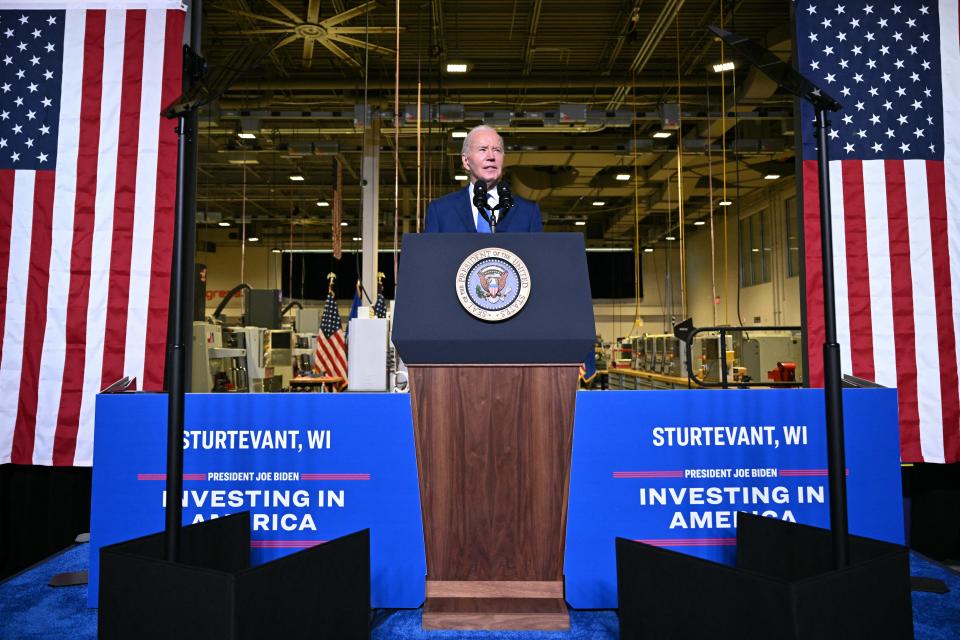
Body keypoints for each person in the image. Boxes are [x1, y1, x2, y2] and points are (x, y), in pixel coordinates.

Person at [424, 125, 543, 233]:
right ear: (466, 161)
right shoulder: (440, 211)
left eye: (497, 150)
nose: (491, 157)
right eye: (483, 149)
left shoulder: (528, 212)